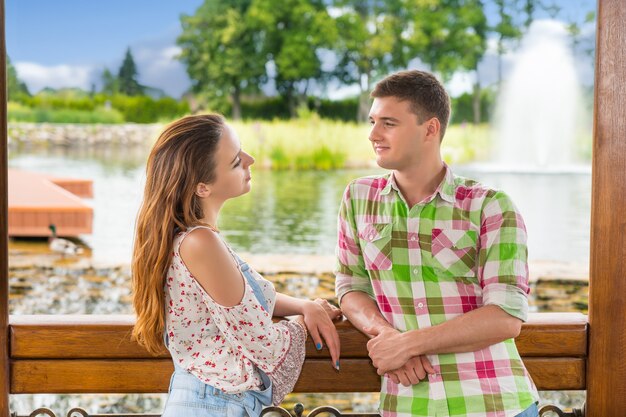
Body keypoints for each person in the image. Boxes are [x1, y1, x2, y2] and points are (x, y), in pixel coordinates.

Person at [335, 70, 539, 417]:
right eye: (373, 121)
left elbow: (506, 316)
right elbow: (350, 286)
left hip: (495, 404)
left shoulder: (490, 206)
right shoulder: (358, 198)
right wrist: (384, 335)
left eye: (388, 123)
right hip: (407, 405)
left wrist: (406, 344)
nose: (373, 135)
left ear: (430, 129)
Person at [132, 114, 341, 417]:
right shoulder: (201, 243)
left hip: (205, 402)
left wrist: (305, 306)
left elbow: (239, 303)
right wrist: (301, 324)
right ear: (202, 187)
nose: (251, 159)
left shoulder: (190, 239)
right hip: (215, 406)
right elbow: (266, 348)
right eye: (235, 161)